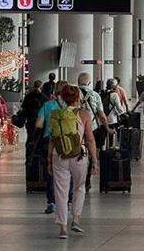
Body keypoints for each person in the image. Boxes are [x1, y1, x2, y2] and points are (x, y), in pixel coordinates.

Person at [48, 84, 98, 240]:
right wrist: (94, 160)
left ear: (62, 97)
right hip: (79, 155)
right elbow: (89, 139)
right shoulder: (84, 114)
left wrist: (49, 160)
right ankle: (76, 218)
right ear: (78, 98)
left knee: (61, 192)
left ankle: (62, 228)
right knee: (79, 187)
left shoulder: (56, 115)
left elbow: (52, 139)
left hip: (59, 155)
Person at [36, 81, 68, 214]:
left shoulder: (48, 105)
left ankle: (51, 202)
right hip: (67, 142)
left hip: (50, 141)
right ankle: (68, 199)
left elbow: (38, 124)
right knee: (67, 171)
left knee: (50, 172)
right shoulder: (71, 106)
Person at [77, 73, 112, 191]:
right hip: (93, 128)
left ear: (78, 81)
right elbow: (101, 114)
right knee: (92, 151)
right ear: (89, 82)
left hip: (76, 128)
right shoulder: (95, 95)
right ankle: (87, 179)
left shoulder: (72, 93)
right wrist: (107, 128)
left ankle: (76, 178)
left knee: (75, 152)